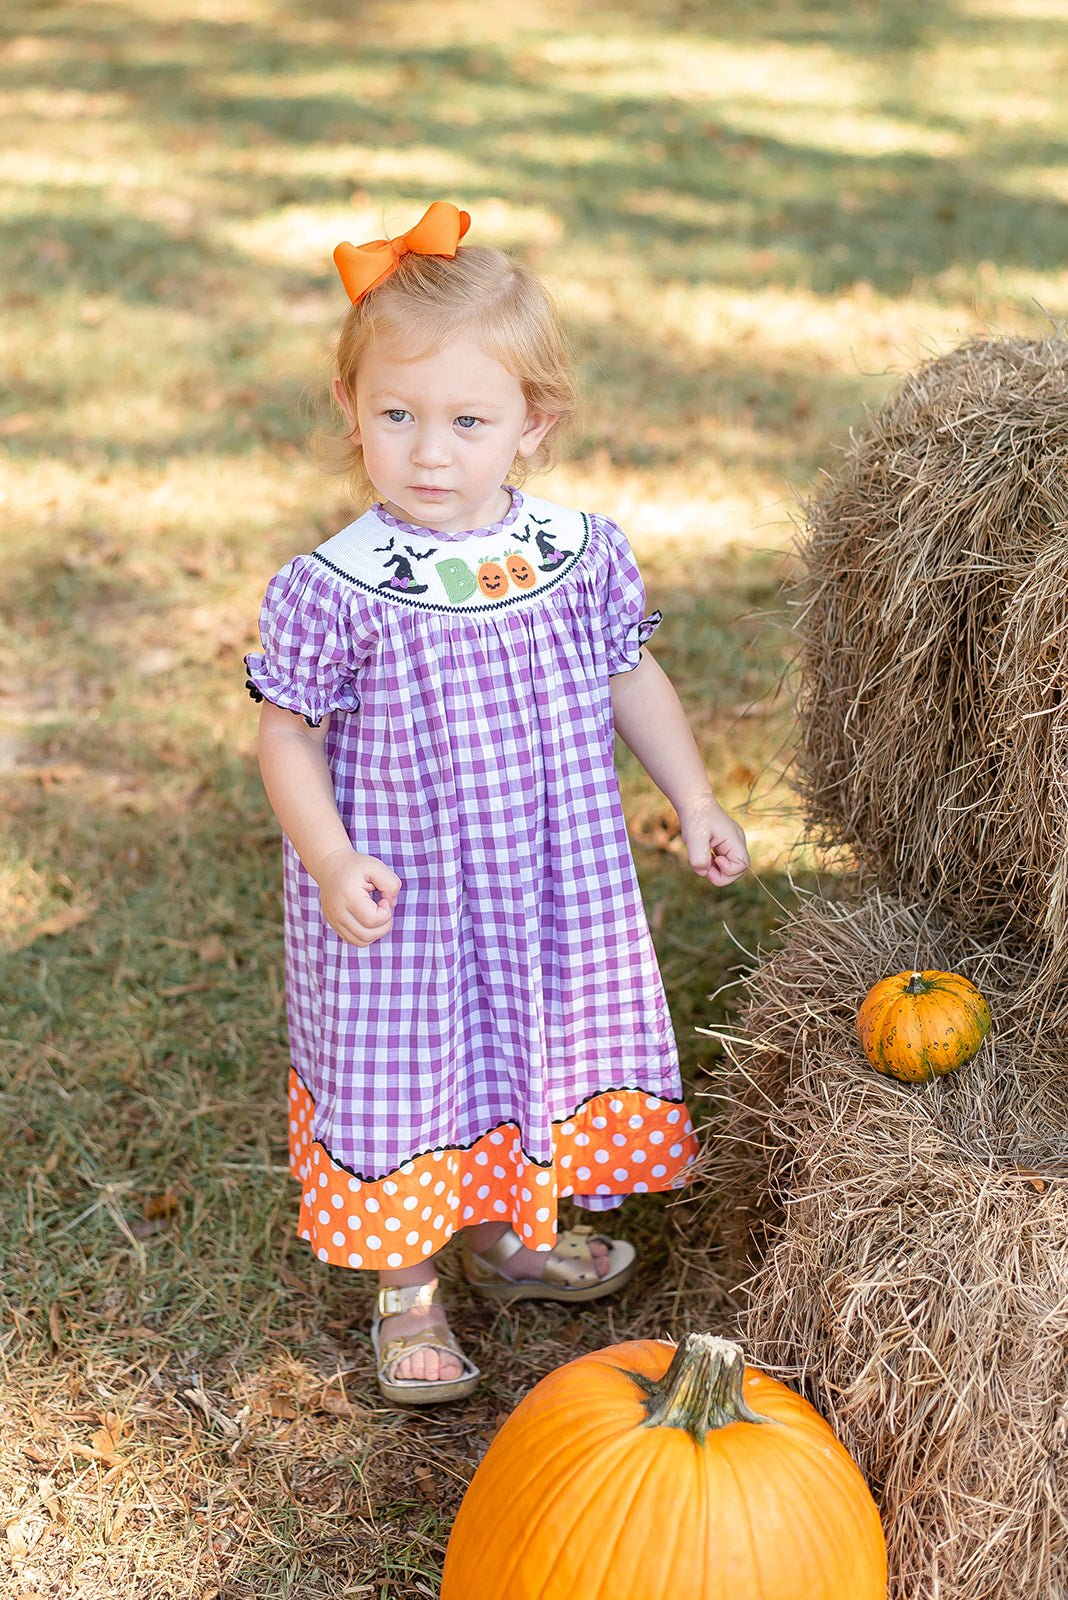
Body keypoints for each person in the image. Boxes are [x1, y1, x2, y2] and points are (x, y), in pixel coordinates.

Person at [245, 202, 749, 1406]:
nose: (430, 451)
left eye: (468, 421)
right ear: (351, 415)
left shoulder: (580, 552)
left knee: (524, 1045)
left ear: (535, 423)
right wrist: (327, 857)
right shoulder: (336, 586)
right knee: (406, 1067)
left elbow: (633, 673)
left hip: (544, 878)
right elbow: (287, 733)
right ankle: (407, 1279)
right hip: (400, 894)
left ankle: (511, 1234)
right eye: (397, 417)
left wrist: (691, 795)